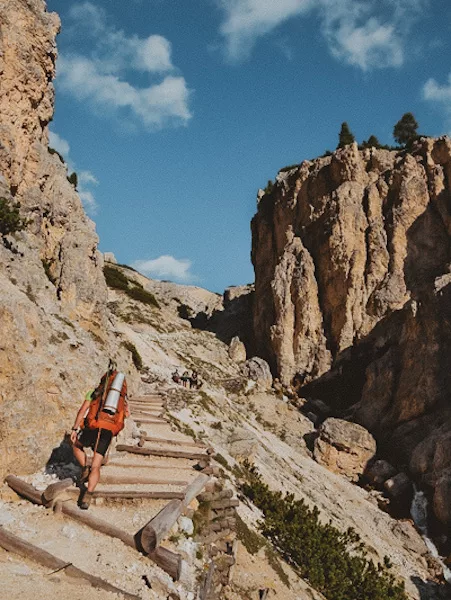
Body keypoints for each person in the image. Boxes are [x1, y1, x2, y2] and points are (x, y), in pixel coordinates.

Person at [70, 364, 129, 509]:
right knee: (97, 465)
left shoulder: (94, 392)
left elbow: (82, 410)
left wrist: (75, 428)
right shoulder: (120, 399)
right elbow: (125, 415)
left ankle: (85, 466)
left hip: (93, 427)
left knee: (76, 444)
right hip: (107, 432)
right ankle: (87, 496)